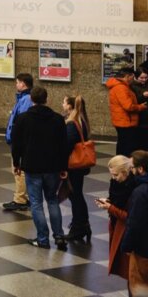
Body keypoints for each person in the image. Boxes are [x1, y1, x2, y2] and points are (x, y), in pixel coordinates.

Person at [11, 85, 69, 250]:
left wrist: (17, 163)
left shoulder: (23, 119)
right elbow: (63, 145)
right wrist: (64, 166)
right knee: (52, 200)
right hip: (53, 167)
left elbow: (17, 145)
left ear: (31, 99)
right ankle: (59, 236)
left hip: (32, 166)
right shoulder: (58, 119)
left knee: (36, 203)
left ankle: (43, 239)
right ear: (46, 99)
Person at [98, 154, 136, 282]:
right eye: (111, 175)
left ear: (125, 172)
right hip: (117, 227)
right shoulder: (116, 185)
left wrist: (110, 207)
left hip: (127, 233)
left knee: (132, 272)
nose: (113, 178)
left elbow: (130, 217)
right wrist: (108, 202)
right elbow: (117, 201)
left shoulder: (134, 190)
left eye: (116, 175)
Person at [2, 72, 35, 211]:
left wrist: (15, 137)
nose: (16, 84)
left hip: (20, 141)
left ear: (23, 84)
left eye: (17, 82)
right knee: (19, 170)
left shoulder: (26, 99)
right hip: (20, 140)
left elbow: (21, 120)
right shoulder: (24, 98)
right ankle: (23, 197)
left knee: (18, 170)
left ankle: (20, 199)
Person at [62, 93, 92, 243]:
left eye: (64, 102)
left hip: (73, 166)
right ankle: (83, 225)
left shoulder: (72, 123)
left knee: (75, 196)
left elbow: (67, 145)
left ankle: (79, 227)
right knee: (77, 195)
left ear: (69, 106)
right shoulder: (82, 121)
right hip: (80, 167)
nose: (62, 105)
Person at [120, 150, 148, 295]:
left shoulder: (140, 192)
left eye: (132, 168)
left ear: (140, 169)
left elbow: (135, 223)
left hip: (142, 250)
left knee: (138, 287)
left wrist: (126, 246)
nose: (130, 171)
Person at [106, 66, 145, 156]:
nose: (133, 79)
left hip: (122, 121)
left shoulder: (120, 86)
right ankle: (123, 166)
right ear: (127, 76)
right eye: (132, 77)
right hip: (126, 122)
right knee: (126, 148)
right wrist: (141, 107)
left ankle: (121, 165)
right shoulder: (121, 88)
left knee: (122, 145)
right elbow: (128, 106)